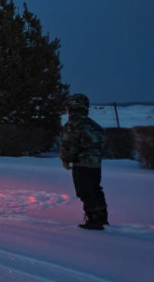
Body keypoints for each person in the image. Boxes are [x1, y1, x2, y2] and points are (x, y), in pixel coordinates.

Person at [61, 93, 109, 230]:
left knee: (86, 191)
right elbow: (103, 144)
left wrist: (66, 159)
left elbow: (68, 144)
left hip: (81, 164)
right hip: (95, 164)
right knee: (95, 189)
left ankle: (94, 219)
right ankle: (102, 216)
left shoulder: (73, 125)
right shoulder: (94, 125)